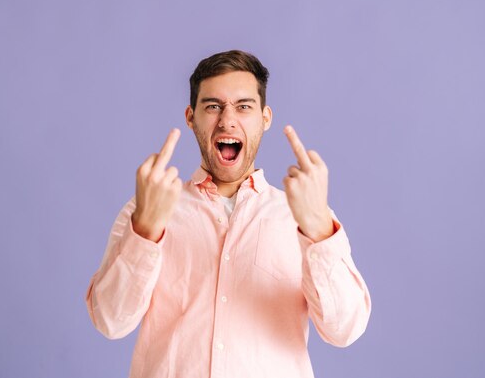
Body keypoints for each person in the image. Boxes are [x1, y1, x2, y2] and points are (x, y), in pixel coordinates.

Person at [85, 50, 371, 378]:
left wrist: (318, 228)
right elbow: (109, 321)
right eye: (213, 106)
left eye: (243, 106)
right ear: (191, 117)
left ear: (265, 118)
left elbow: (345, 330)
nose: (227, 120)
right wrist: (146, 230)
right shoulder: (145, 208)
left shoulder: (305, 216)